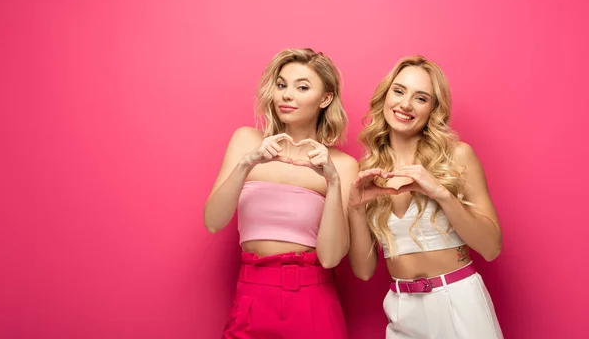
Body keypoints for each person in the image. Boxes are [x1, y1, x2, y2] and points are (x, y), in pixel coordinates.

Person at [204, 48, 358, 339]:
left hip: (313, 299)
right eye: (281, 84)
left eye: (302, 87)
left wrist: (334, 183)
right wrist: (247, 163)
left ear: (325, 99)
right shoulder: (246, 140)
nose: (287, 95)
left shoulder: (343, 166)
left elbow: (331, 257)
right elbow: (213, 221)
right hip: (251, 293)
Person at [347, 55, 503, 338]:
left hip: (457, 301)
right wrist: (356, 210)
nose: (405, 104)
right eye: (399, 91)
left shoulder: (457, 157)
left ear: (434, 110)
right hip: (401, 308)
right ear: (385, 96)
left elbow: (491, 248)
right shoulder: (367, 172)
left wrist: (441, 193)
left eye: (421, 98)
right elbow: (364, 271)